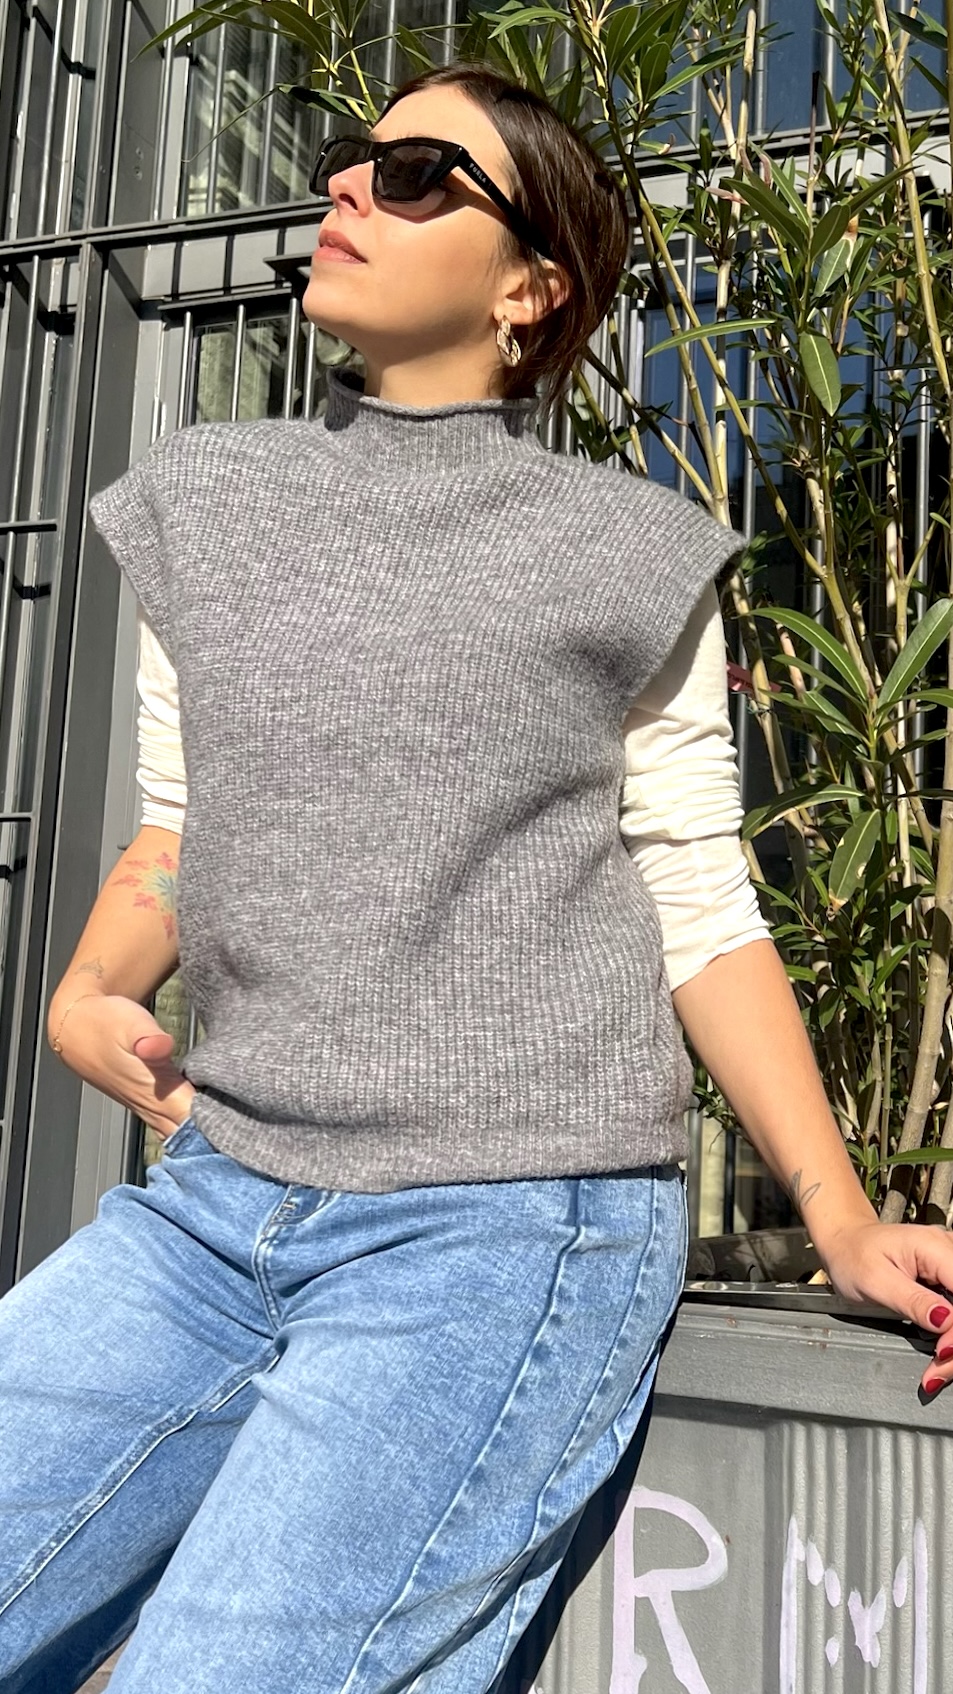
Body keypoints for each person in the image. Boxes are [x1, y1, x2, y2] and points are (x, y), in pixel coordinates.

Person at [1, 58, 951, 1694]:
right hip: (213, 1201)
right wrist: (89, 988)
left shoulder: (627, 551)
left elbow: (697, 901)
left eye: (417, 176)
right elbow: (185, 823)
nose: (348, 186)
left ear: (531, 287)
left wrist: (838, 1213)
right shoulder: (203, 506)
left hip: (506, 1230)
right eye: (350, 157)